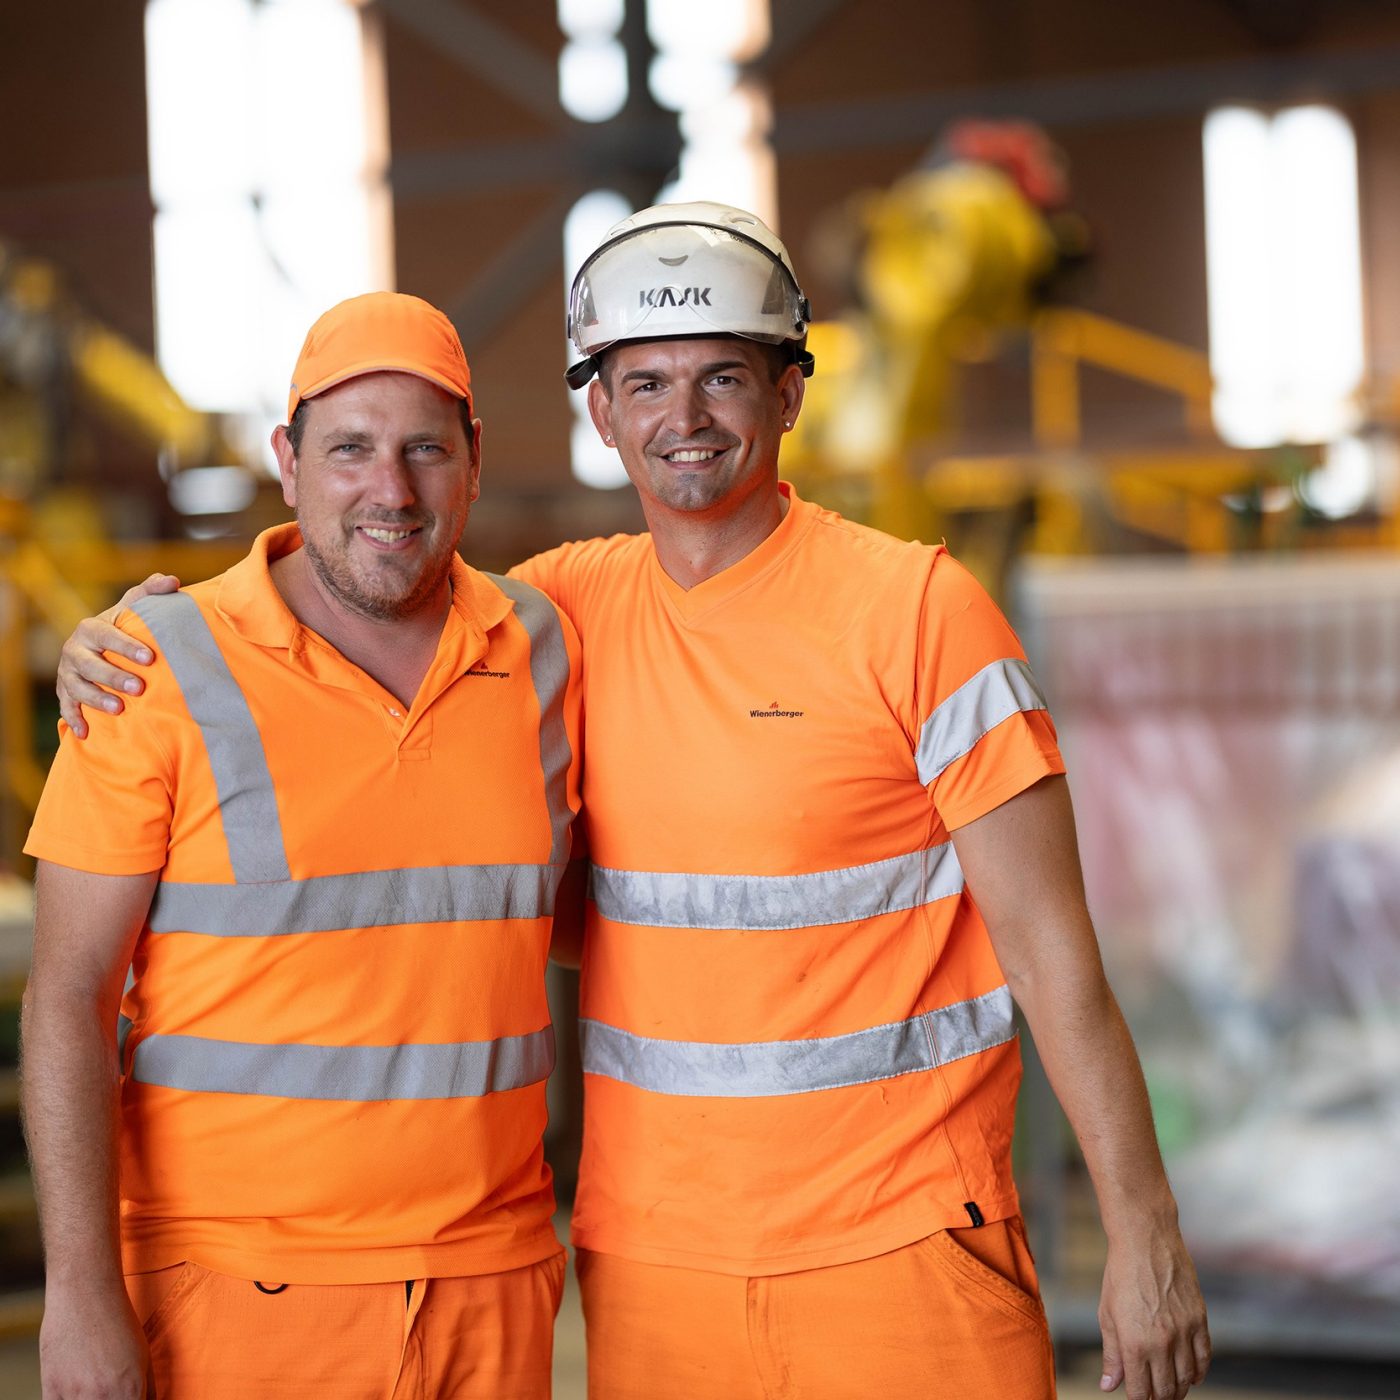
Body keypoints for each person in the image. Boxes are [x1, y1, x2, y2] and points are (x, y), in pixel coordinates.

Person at [57, 204, 1210, 1400]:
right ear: (599, 413)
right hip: (656, 1265)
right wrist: (140, 632)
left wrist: (1143, 1228)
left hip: (904, 1244)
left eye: (722, 376)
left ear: (787, 396)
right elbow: (352, 591)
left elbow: (1051, 947)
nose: (685, 418)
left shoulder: (916, 610)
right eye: (645, 382)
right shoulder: (552, 619)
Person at [24, 292, 582, 1399]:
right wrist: (79, 1292)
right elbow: (68, 993)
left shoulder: (543, 646)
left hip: (491, 1280)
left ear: (474, 459)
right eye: (349, 450)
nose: (391, 489)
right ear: (286, 461)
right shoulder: (151, 668)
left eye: (426, 447)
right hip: (239, 1294)